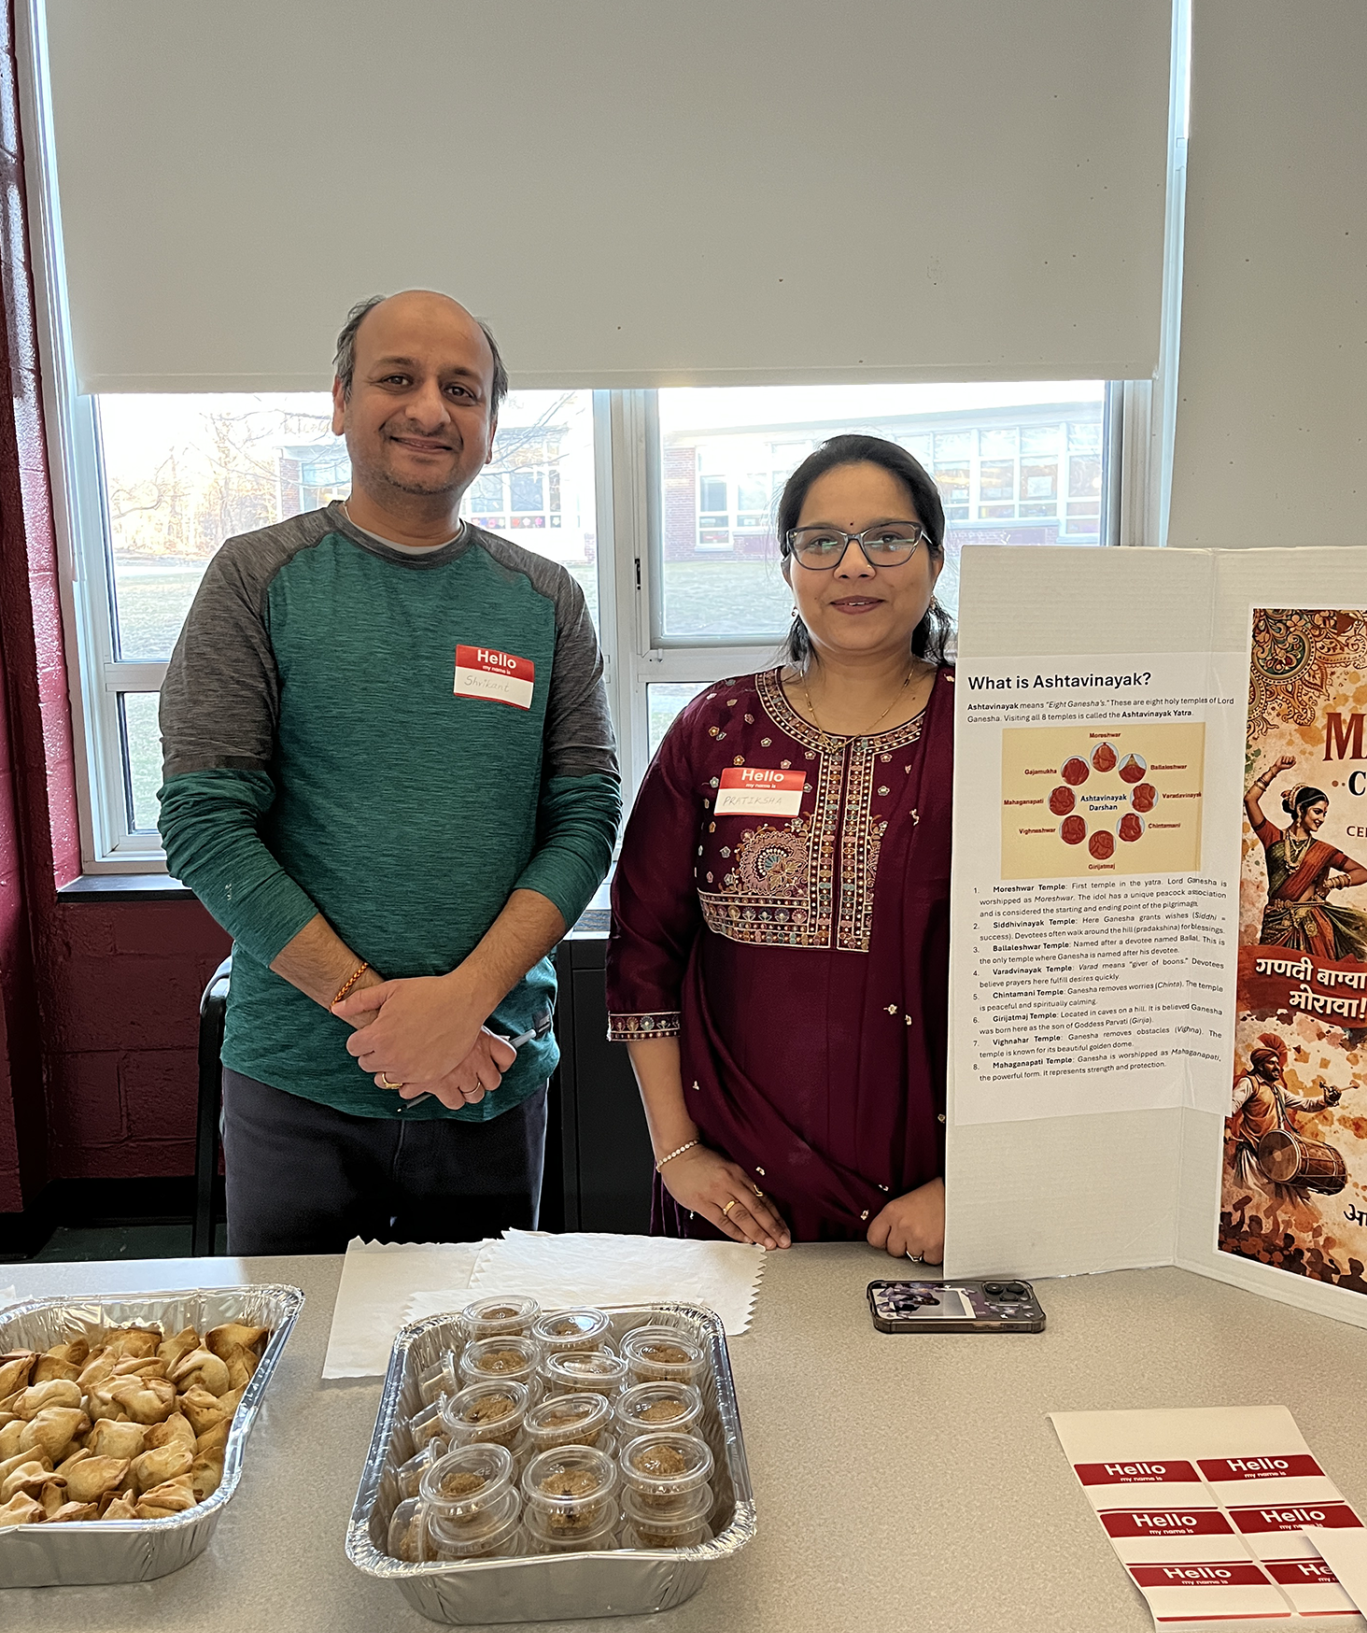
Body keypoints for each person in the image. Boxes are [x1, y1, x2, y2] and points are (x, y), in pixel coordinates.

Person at [158, 291, 621, 1253]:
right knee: (297, 1342)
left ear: (491, 425)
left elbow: (585, 816)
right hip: (299, 1082)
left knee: (488, 1346)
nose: (429, 409)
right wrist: (387, 1018)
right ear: (340, 400)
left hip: (491, 1068)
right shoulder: (256, 577)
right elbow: (205, 821)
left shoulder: (544, 600)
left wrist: (463, 1005)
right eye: (397, 378)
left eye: (462, 389)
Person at [606, 434, 952, 1263]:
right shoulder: (714, 729)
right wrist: (677, 1153)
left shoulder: (996, 728)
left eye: (889, 537)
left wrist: (978, 1181)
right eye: (821, 541)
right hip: (731, 1193)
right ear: (790, 567)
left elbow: (1061, 978)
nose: (854, 565)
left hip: (934, 1199)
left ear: (935, 560)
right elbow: (644, 949)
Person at [1244, 755, 1367, 959]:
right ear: (1300, 809)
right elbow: (1250, 800)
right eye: (1317, 812)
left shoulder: (1323, 851)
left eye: (1324, 814)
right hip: (1275, 922)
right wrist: (1275, 769)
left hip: (1311, 924)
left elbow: (1363, 873)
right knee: (1267, 972)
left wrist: (1331, 883)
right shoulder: (1273, 837)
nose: (1321, 819)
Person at [1227, 1040, 1340, 1196]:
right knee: (1252, 1195)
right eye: (1271, 1063)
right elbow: (1230, 1105)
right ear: (1260, 1066)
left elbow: (1306, 1104)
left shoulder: (1278, 1091)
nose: (1277, 1068)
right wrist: (1227, 1128)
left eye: (1277, 1063)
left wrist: (1327, 1099)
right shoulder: (1250, 1083)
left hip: (1273, 1155)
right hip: (1252, 1153)